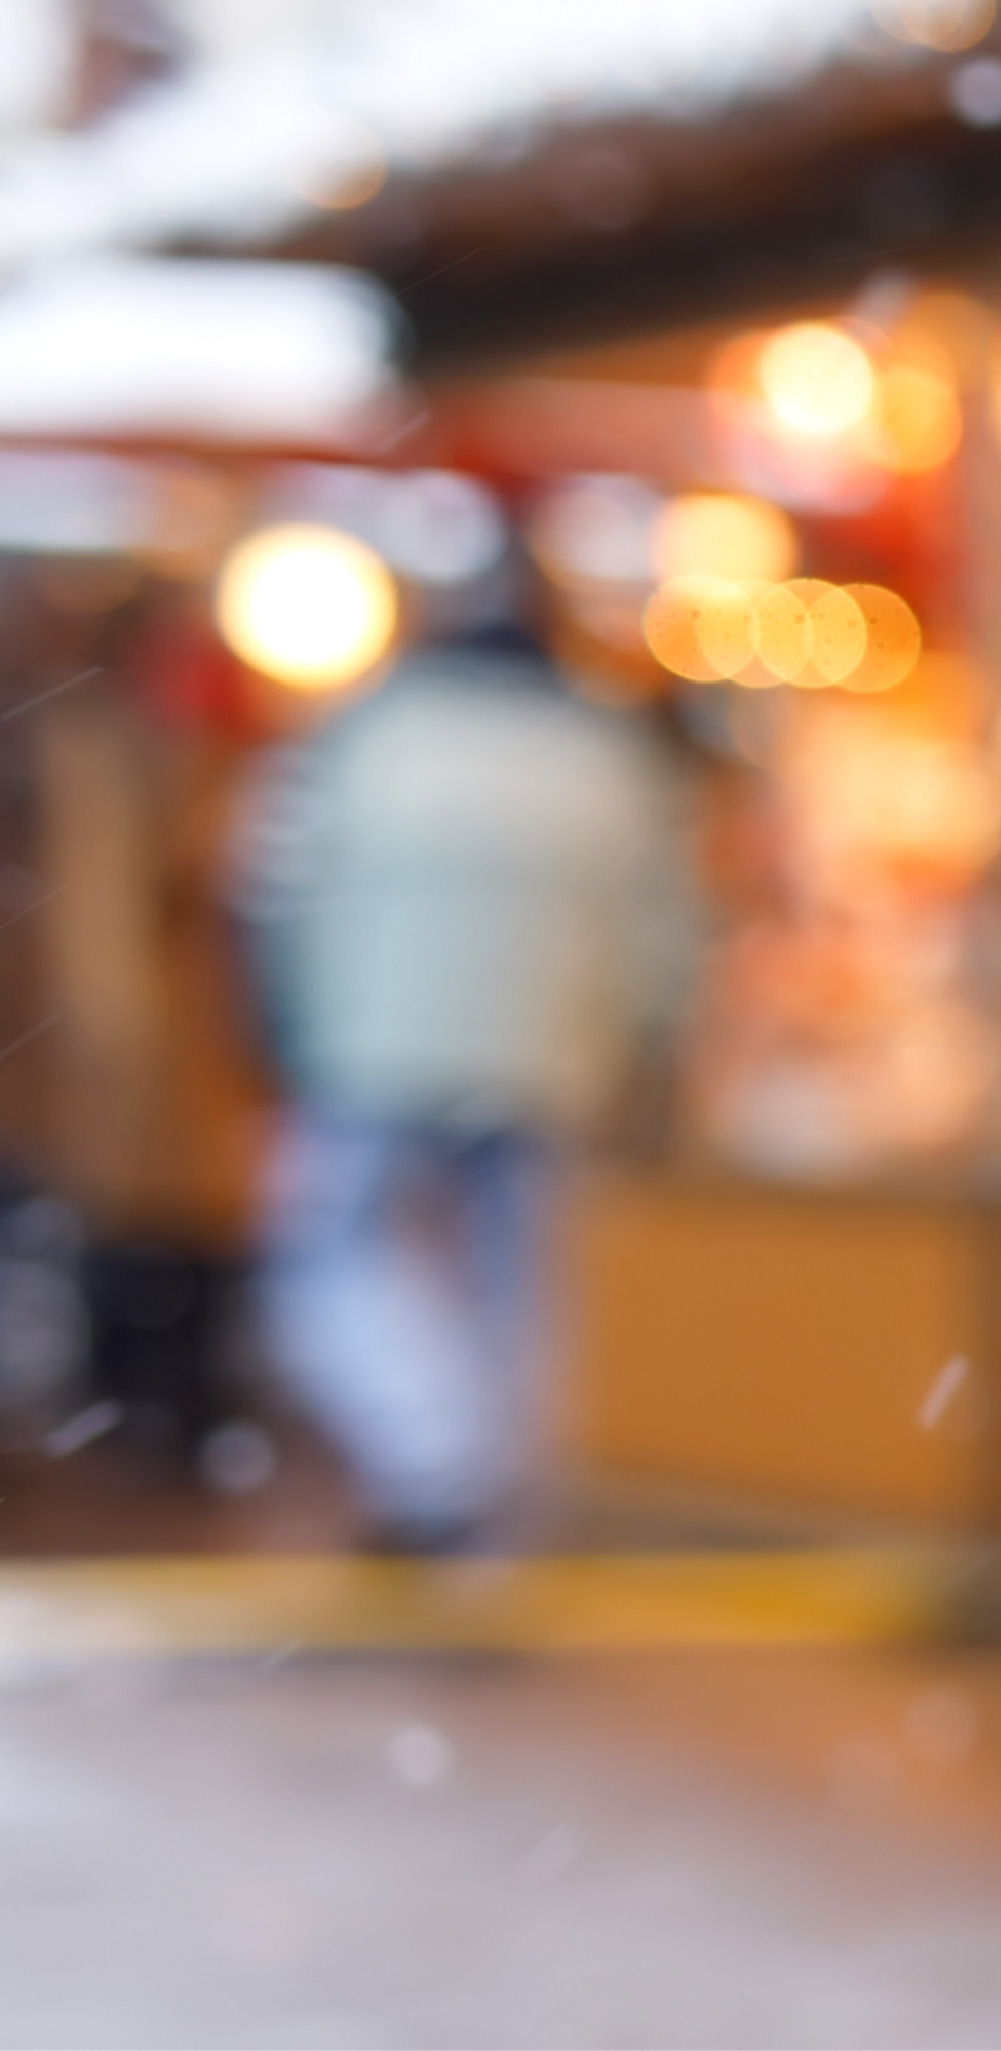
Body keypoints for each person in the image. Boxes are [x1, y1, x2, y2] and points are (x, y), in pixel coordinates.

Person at [239, 538, 695, 1554]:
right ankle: (486, 1493)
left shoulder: (369, 730)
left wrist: (276, 1026)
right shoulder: (605, 750)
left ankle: (439, 1463)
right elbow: (664, 924)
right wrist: (648, 1049)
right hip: (545, 1056)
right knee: (515, 1287)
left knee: (335, 1262)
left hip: (372, 1047)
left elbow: (279, 884)